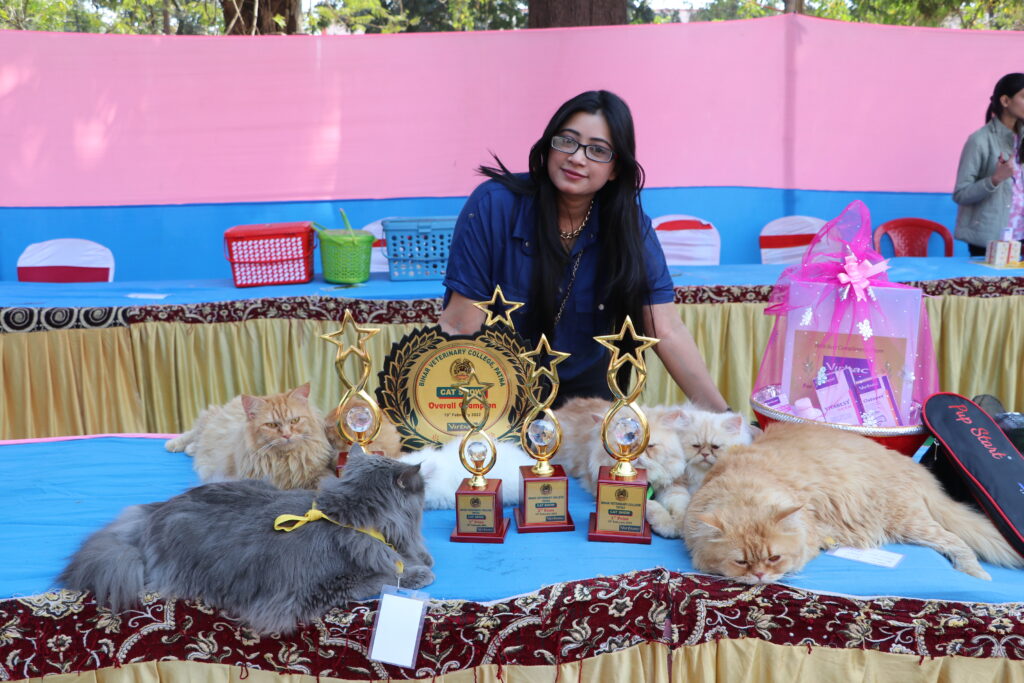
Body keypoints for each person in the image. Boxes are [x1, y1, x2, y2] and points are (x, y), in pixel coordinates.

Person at [438, 90, 729, 412]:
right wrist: (465, 419)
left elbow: (667, 329)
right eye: (567, 141)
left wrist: (726, 419)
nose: (577, 158)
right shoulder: (494, 205)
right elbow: (461, 325)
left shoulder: (630, 225)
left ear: (615, 169)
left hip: (586, 409)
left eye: (598, 150)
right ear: (549, 146)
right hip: (496, 396)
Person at [953, 73, 1024, 257]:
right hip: (990, 241)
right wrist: (994, 180)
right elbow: (961, 194)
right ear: (1005, 101)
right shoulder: (979, 140)